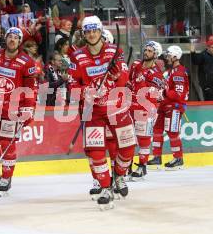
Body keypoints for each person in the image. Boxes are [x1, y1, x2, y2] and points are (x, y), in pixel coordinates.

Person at [68, 15, 135, 210]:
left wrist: (115, 75)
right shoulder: (77, 56)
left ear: (100, 32)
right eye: (87, 31)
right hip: (92, 111)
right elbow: (72, 85)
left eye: (94, 30)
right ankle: (106, 187)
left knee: (128, 147)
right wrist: (85, 92)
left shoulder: (114, 51)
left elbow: (123, 80)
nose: (91, 34)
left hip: (117, 107)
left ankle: (120, 175)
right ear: (84, 34)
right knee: (96, 152)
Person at [0, 27, 38, 195]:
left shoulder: (27, 62)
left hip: (12, 111)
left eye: (16, 37)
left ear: (20, 42)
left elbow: (30, 89)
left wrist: (28, 110)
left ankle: (6, 177)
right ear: (6, 39)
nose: (12, 40)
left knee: (6, 144)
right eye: (10, 37)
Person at [127, 41, 165, 180]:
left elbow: (156, 96)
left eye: (150, 51)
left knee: (144, 139)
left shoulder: (157, 75)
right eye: (146, 49)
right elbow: (129, 81)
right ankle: (128, 166)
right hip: (131, 107)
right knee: (129, 139)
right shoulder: (136, 64)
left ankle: (142, 167)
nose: (146, 52)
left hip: (147, 110)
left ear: (155, 55)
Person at [148, 45, 189, 170]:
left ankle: (178, 158)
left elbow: (178, 93)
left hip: (174, 106)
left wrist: (164, 93)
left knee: (172, 132)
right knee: (157, 129)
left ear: (176, 56)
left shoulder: (179, 72)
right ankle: (156, 157)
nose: (167, 58)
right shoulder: (170, 71)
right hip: (165, 105)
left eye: (169, 55)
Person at [190, 36, 213, 101]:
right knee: (209, 104)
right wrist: (192, 51)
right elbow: (195, 61)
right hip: (207, 86)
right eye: (212, 47)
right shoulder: (203, 55)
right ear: (208, 47)